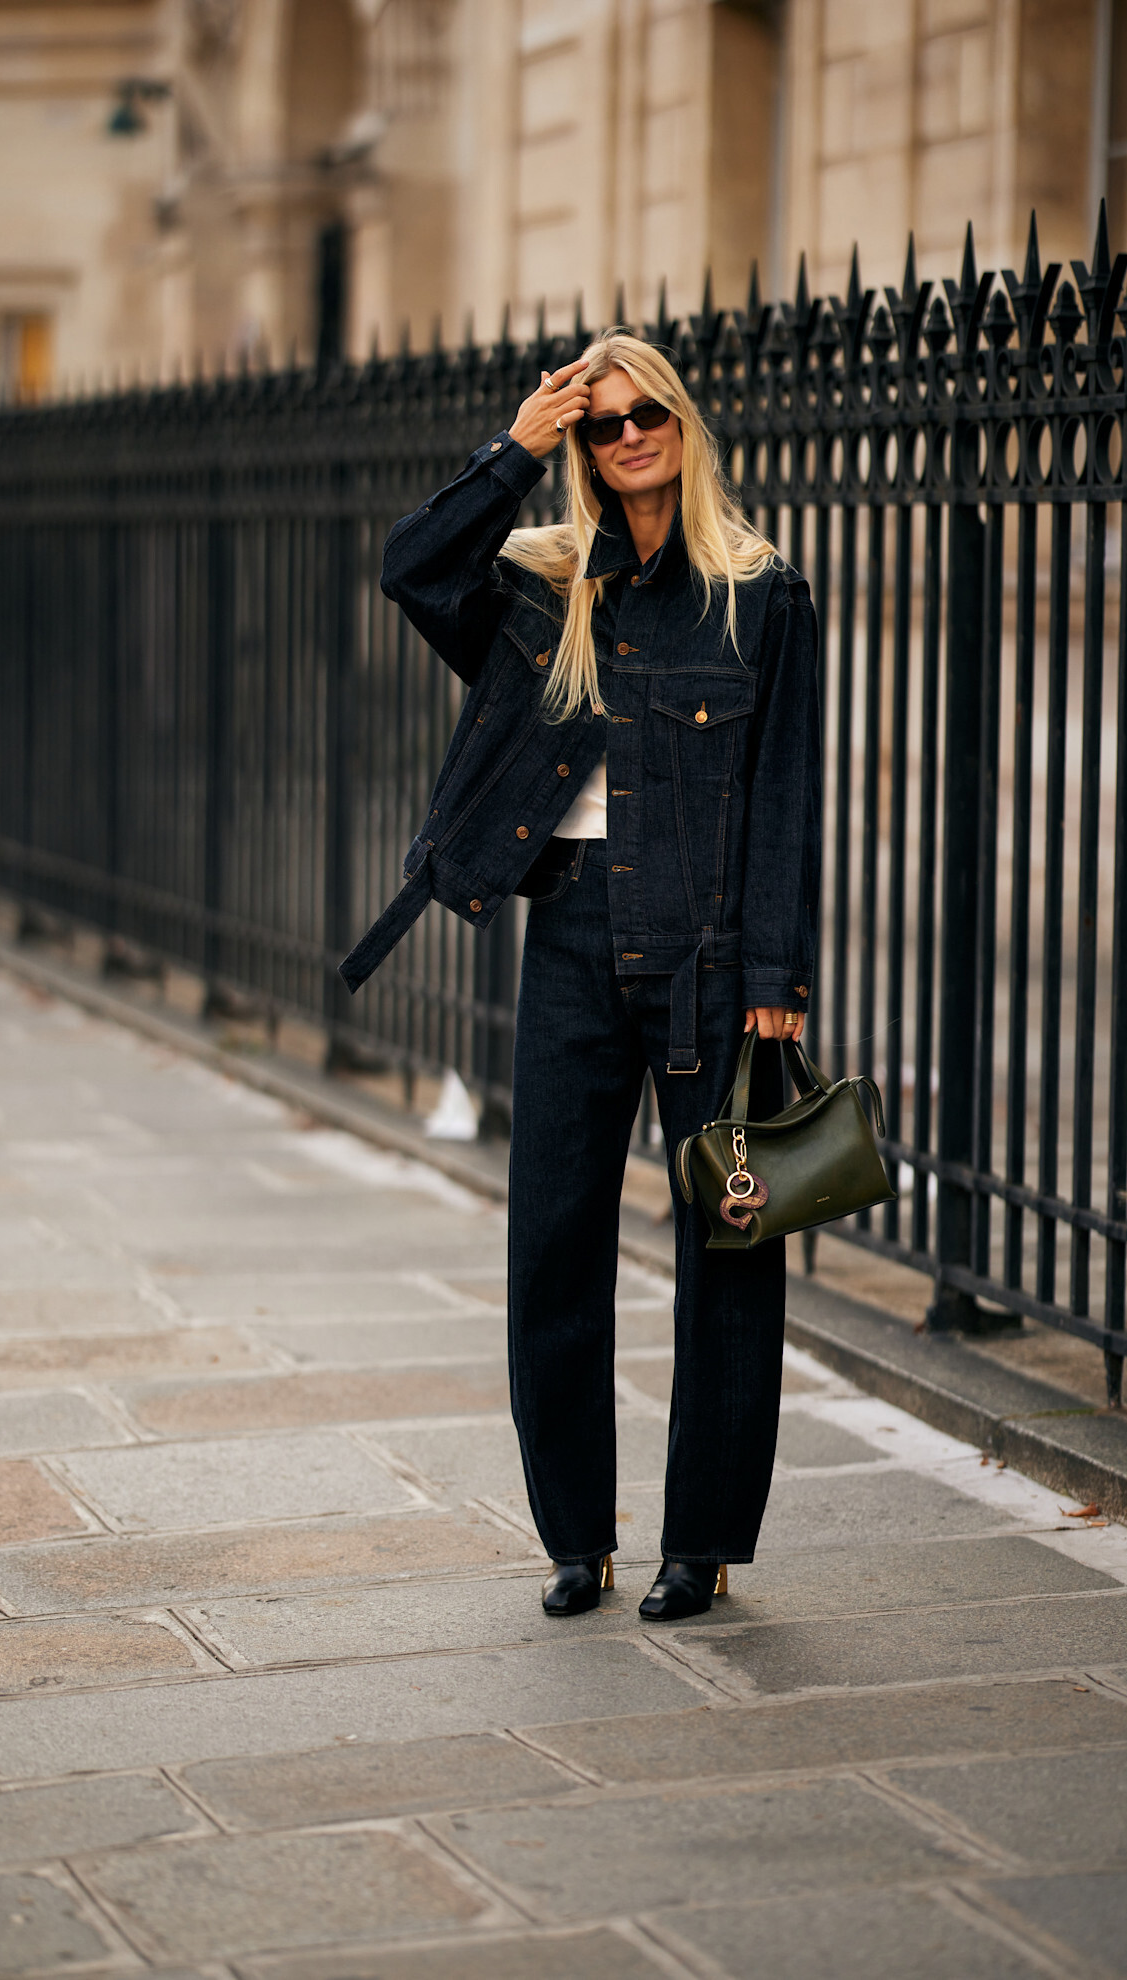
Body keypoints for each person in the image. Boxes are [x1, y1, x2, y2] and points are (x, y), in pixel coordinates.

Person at [342, 331, 821, 1621]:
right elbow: (411, 567)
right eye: (601, 424)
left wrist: (778, 976)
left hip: (708, 956)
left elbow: (785, 793)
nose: (628, 436)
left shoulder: (761, 594)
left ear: (682, 421)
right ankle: (575, 1539)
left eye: (644, 412)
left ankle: (701, 1542)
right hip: (568, 936)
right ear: (586, 448)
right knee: (553, 1241)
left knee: (729, 1244)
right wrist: (515, 445)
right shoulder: (546, 589)